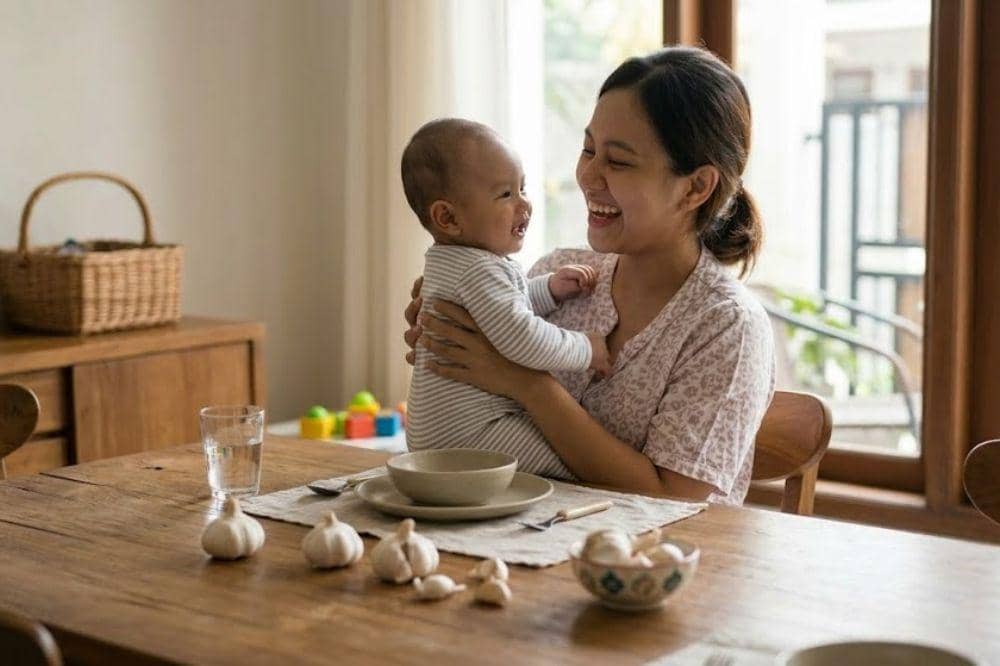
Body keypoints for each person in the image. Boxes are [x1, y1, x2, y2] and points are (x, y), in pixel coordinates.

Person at [404, 46, 776, 505]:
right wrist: (445, 330)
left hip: (651, 568)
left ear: (696, 187)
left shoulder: (726, 327)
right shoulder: (559, 276)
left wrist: (523, 381)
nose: (587, 175)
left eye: (617, 162)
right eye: (588, 149)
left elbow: (675, 501)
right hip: (519, 548)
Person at [401, 118, 612, 478]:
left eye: (523, 188)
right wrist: (587, 349)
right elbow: (523, 339)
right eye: (505, 195)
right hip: (474, 431)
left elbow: (504, 309)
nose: (525, 205)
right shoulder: (479, 269)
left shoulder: (457, 262)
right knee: (572, 471)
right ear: (448, 217)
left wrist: (548, 289)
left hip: (441, 431)